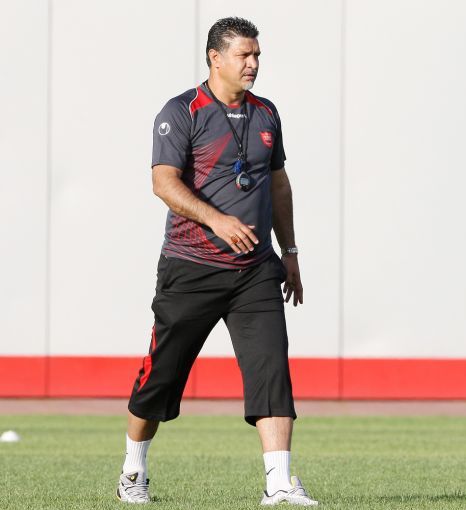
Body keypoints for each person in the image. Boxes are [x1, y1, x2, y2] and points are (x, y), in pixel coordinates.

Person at [115, 17, 317, 506]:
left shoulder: (267, 113)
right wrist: (217, 220)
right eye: (244, 54)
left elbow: (278, 185)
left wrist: (289, 252)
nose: (253, 63)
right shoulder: (182, 111)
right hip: (191, 267)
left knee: (271, 368)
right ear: (215, 58)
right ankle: (133, 470)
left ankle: (278, 483)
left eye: (257, 54)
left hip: (256, 271)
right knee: (162, 374)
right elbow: (163, 182)